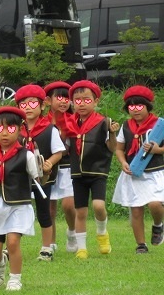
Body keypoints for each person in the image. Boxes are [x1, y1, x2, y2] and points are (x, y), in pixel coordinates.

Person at [0, 107, 39, 291]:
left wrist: (43, 168)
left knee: (12, 242)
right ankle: (0, 263)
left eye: (10, 129)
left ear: (19, 130)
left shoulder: (26, 154)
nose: (4, 133)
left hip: (18, 205)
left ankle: (15, 278)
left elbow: (38, 177)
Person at [54, 80, 120, 259]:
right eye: (77, 100)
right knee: (80, 211)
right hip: (77, 173)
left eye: (86, 100)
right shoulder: (69, 124)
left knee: (98, 206)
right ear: (72, 102)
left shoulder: (103, 122)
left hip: (98, 171)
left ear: (96, 101)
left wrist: (112, 133)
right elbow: (64, 147)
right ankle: (82, 248)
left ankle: (102, 233)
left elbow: (113, 148)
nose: (81, 104)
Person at [15, 85, 65, 262]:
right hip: (20, 178)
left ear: (42, 105)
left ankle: (46, 247)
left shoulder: (49, 129)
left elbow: (59, 151)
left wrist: (49, 162)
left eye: (32, 103)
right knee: (17, 211)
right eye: (23, 104)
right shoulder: (15, 130)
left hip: (43, 178)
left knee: (44, 212)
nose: (27, 107)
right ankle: (11, 246)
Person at [112, 85, 164, 253]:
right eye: (131, 107)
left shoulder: (159, 125)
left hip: (155, 172)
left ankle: (158, 225)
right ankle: (141, 245)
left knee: (155, 204)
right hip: (134, 173)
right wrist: (122, 162)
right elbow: (119, 149)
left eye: (139, 106)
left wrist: (158, 150)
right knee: (135, 209)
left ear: (147, 106)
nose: (135, 110)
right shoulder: (126, 126)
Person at [44, 81, 77, 253]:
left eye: (67, 98)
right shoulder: (43, 122)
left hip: (68, 167)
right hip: (48, 168)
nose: (64, 101)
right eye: (60, 97)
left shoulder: (75, 120)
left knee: (69, 205)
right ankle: (51, 242)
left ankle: (72, 231)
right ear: (49, 100)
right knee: (49, 207)